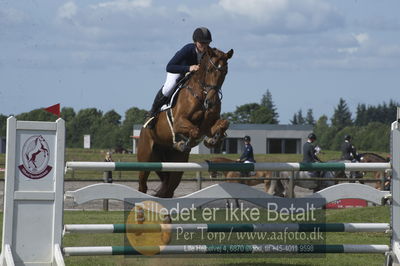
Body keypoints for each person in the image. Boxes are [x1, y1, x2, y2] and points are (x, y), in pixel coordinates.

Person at [145, 27, 213, 128]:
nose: (205, 46)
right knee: (169, 88)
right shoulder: (187, 49)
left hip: (193, 77)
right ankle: (152, 113)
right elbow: (169, 67)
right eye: (202, 43)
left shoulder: (209, 53)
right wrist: (189, 68)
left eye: (207, 43)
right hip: (178, 70)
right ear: (195, 42)